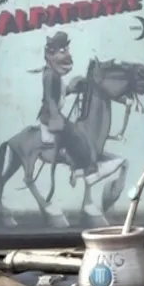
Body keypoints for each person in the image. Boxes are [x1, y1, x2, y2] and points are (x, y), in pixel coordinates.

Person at [34, 31, 97, 182]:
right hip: (49, 115)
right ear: (51, 53)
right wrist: (55, 116)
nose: (67, 54)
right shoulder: (49, 75)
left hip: (53, 113)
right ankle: (81, 166)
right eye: (62, 51)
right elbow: (49, 97)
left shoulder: (55, 74)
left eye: (66, 50)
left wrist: (72, 88)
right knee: (75, 133)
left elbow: (59, 93)